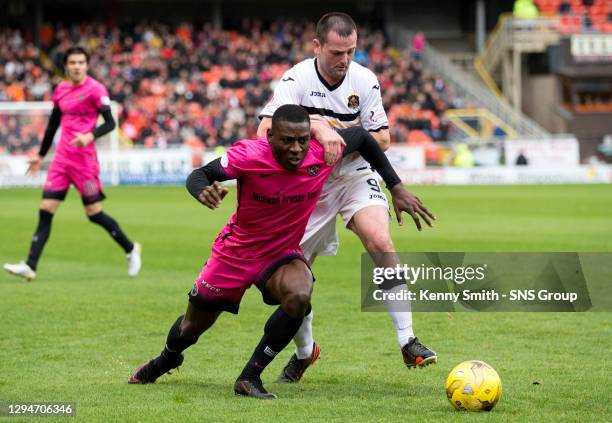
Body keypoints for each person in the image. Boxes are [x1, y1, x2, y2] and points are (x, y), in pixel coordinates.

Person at [128, 105, 434, 400]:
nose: (297, 149)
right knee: (191, 326)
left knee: (300, 293)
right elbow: (200, 174)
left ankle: (250, 376)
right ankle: (166, 359)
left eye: (302, 140)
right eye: (287, 140)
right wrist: (202, 190)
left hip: (281, 254)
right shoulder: (248, 155)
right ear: (270, 136)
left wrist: (395, 186)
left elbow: (363, 138)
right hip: (234, 254)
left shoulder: (321, 152)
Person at [257, 12, 437, 383]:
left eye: (351, 51)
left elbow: (382, 137)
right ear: (317, 46)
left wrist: (339, 133)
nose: (345, 60)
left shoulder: (365, 80)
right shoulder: (296, 79)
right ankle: (306, 353)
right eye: (337, 52)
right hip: (309, 183)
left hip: (355, 173)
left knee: (380, 240)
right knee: (296, 275)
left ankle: (408, 340)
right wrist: (317, 127)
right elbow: (264, 130)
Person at [3, 46, 141, 281]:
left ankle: (130, 249)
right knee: (45, 210)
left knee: (94, 213)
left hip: (85, 163)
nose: (77, 66)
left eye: (81, 62)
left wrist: (90, 136)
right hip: (61, 161)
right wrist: (40, 154)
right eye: (72, 63)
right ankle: (30, 265)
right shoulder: (61, 90)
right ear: (66, 66)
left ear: (86, 65)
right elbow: (52, 125)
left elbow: (110, 123)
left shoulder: (96, 89)